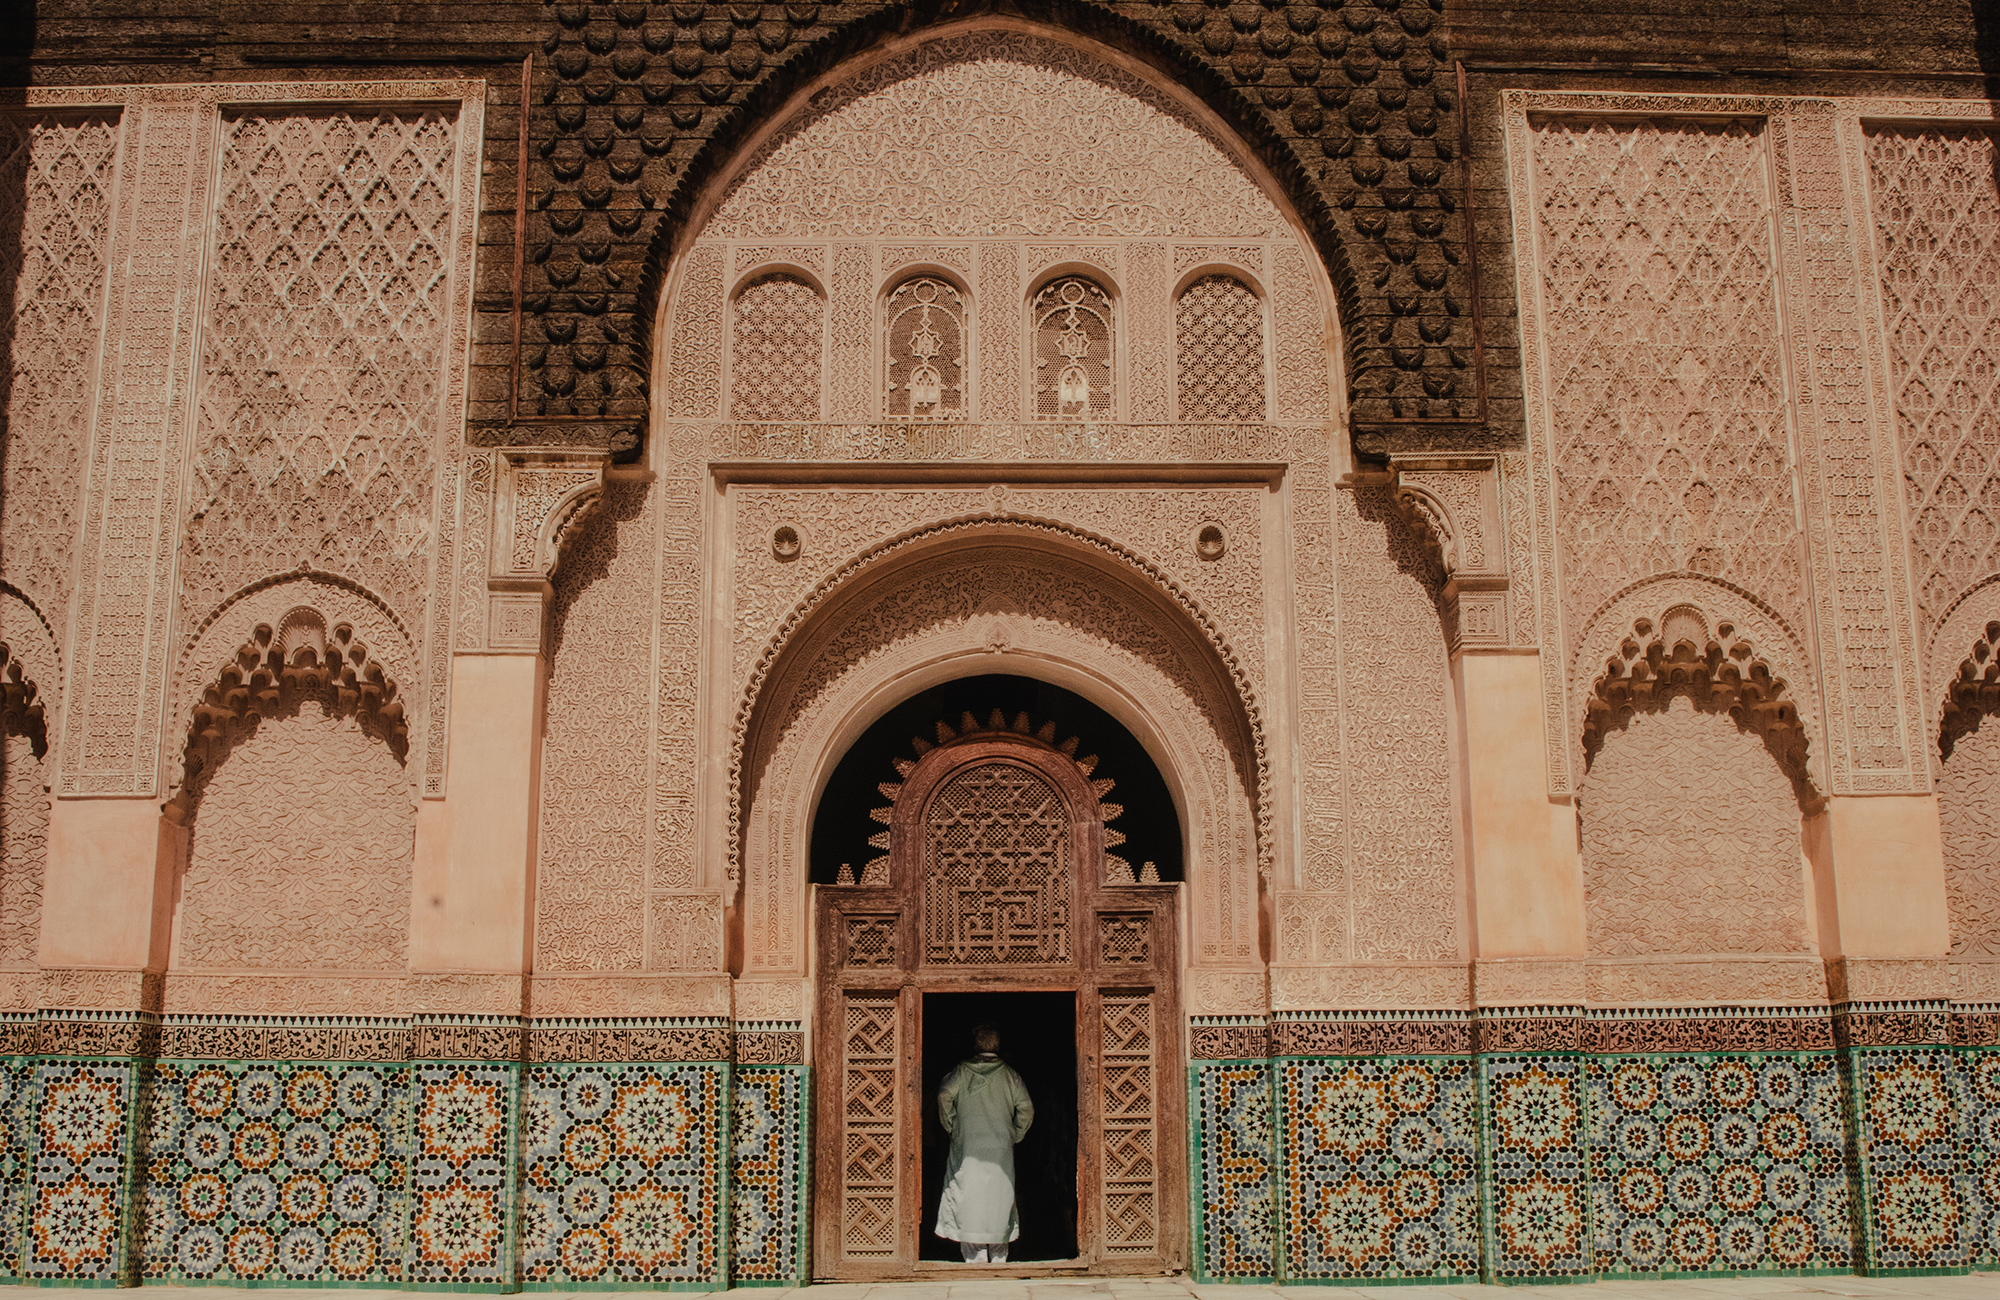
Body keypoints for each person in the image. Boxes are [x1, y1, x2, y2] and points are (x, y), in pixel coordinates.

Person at [934, 1023, 1034, 1263]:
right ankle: (999, 1256)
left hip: (967, 1144)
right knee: (999, 1195)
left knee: (968, 1193)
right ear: (997, 1046)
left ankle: (974, 1256)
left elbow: (944, 1095)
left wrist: (952, 1125)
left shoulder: (961, 1072)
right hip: (1000, 1147)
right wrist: (1016, 1133)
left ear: (976, 1045)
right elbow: (1026, 1108)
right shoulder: (1010, 1075)